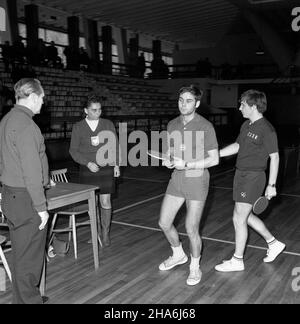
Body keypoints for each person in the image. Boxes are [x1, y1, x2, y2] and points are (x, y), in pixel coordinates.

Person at [215, 90, 285, 273]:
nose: (239, 108)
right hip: (240, 174)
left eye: (243, 104)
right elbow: (238, 146)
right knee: (246, 216)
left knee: (238, 217)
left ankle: (237, 260)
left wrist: (271, 185)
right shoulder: (246, 125)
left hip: (254, 177)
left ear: (253, 106)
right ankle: (273, 243)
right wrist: (217, 154)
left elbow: (275, 157)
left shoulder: (267, 129)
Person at [158, 85, 219, 285]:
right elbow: (170, 153)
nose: (184, 104)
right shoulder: (172, 124)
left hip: (197, 178)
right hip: (177, 178)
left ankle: (194, 267)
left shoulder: (205, 126)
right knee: (164, 223)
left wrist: (188, 164)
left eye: (189, 100)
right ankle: (178, 255)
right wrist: (168, 160)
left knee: (191, 228)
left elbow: (214, 159)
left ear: (197, 104)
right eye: (181, 100)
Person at [0, 78, 50, 304]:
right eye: (41, 97)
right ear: (32, 96)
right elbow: (31, 171)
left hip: (10, 196)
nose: (43, 101)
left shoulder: (6, 120)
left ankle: (23, 300)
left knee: (21, 256)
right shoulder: (27, 126)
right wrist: (41, 208)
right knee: (30, 261)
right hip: (26, 199)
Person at [69, 94, 120, 247]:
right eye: (93, 110)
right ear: (86, 110)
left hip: (106, 168)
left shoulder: (107, 124)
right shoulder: (78, 127)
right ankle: (95, 231)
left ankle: (104, 233)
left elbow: (114, 146)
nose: (97, 113)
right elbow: (73, 151)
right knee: (93, 203)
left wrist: (116, 164)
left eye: (99, 110)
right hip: (88, 169)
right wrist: (87, 163)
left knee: (105, 201)